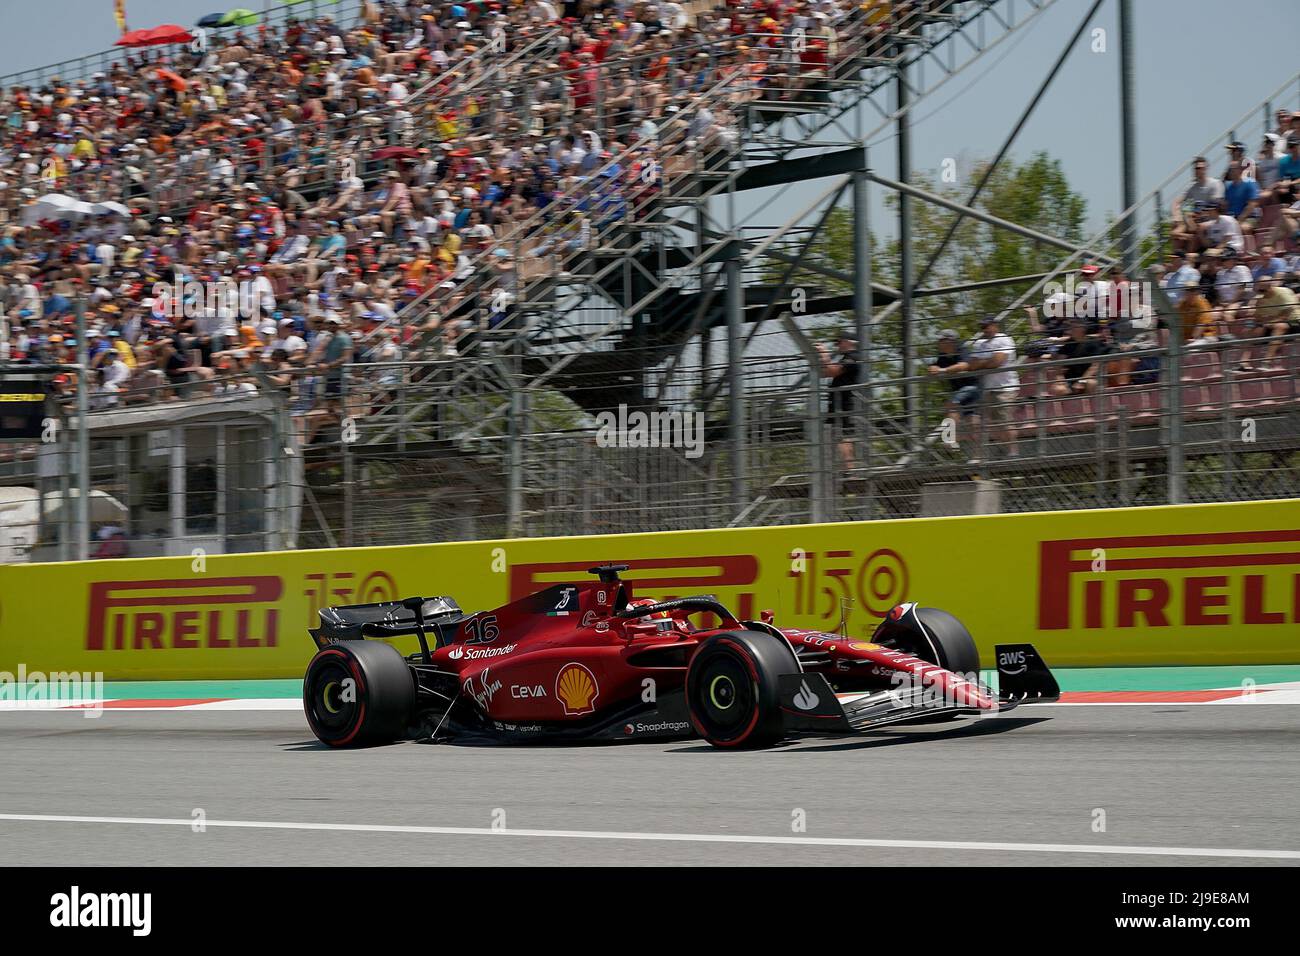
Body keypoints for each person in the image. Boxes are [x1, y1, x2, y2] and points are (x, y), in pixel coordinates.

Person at [967, 316, 1020, 458]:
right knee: (985, 423)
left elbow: (997, 362)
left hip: (1005, 387)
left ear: (995, 325)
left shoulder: (1005, 339)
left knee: (1004, 420)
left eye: (987, 326)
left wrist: (982, 363)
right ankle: (991, 454)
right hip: (987, 389)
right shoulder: (979, 343)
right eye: (983, 327)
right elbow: (972, 366)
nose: (985, 329)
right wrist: (988, 362)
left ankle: (1013, 452)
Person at [926, 329, 979, 455]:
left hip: (972, 387)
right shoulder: (943, 355)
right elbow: (935, 367)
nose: (938, 343)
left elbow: (964, 365)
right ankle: (978, 456)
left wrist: (942, 371)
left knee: (951, 404)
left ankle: (950, 439)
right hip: (960, 390)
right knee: (972, 422)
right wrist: (933, 368)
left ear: (950, 341)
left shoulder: (962, 348)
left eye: (941, 340)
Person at [817, 334, 861, 471]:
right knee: (830, 436)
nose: (837, 345)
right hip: (837, 404)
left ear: (848, 342)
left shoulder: (853, 358)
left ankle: (849, 470)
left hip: (843, 404)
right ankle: (836, 470)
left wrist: (824, 353)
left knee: (843, 437)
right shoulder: (846, 358)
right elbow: (824, 372)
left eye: (839, 342)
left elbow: (830, 371)